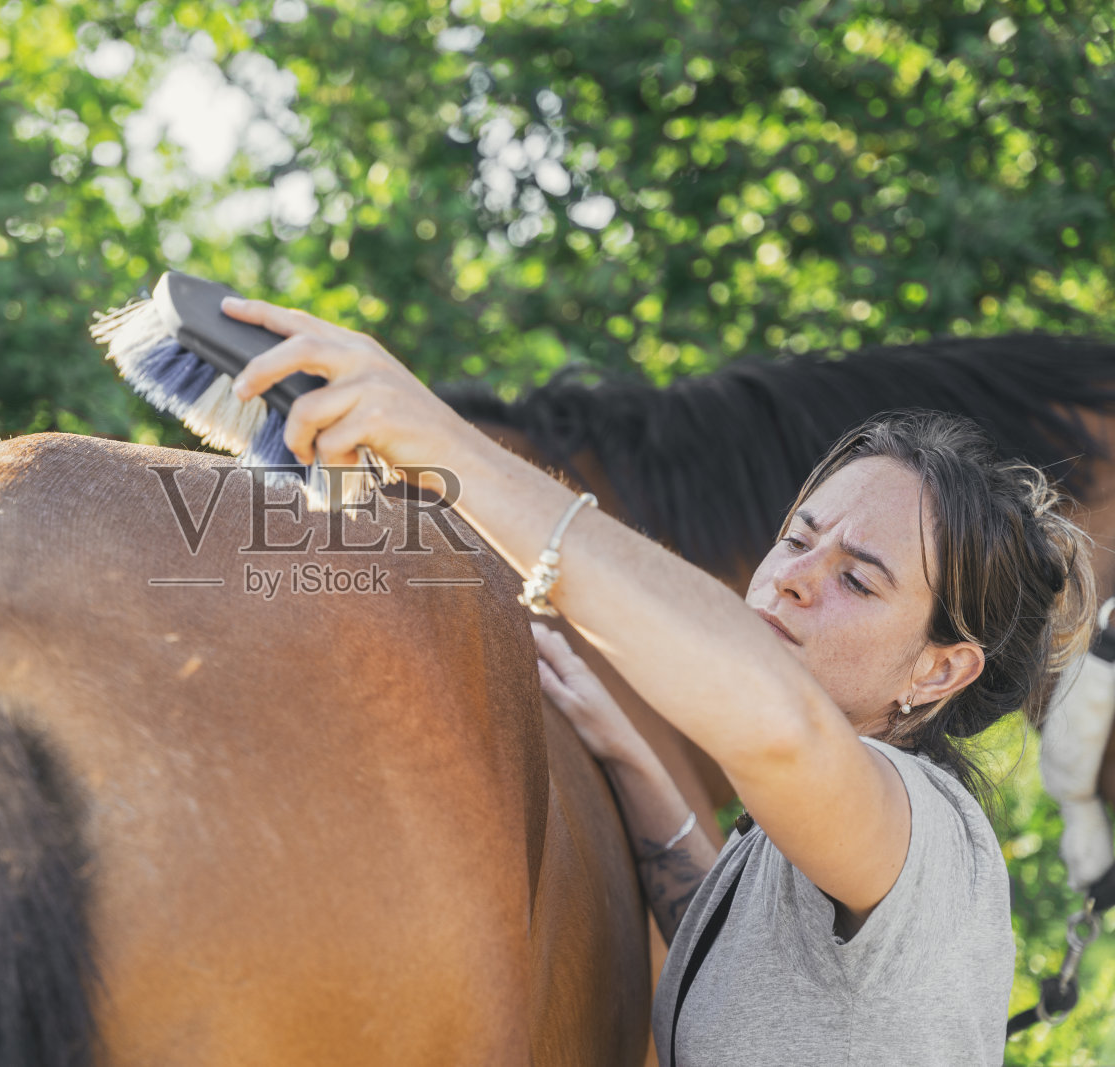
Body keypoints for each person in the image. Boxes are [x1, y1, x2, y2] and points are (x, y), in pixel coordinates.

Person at [221, 294, 1096, 1066]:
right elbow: (722, 933)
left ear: (940, 668)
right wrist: (628, 754)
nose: (793, 578)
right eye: (797, 538)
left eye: (858, 580)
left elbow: (778, 723)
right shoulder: (800, 851)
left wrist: (441, 443)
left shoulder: (930, 833)